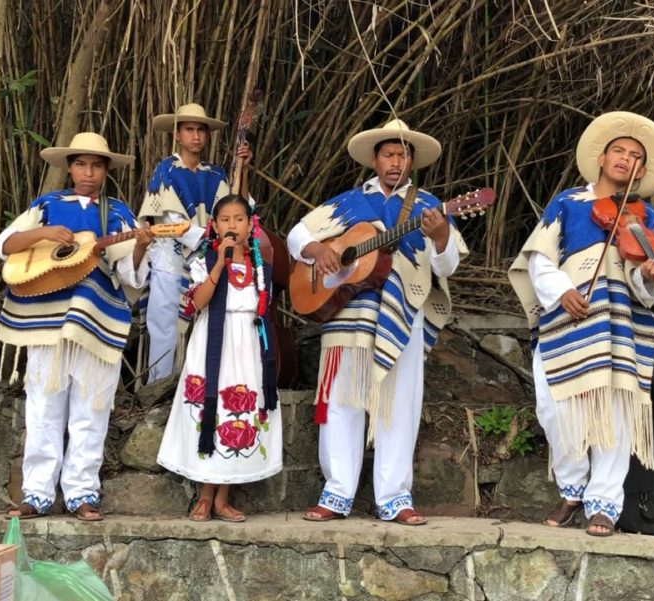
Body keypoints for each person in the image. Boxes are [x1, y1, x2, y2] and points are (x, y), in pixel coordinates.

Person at [507, 111, 654, 537]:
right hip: (569, 315)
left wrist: (649, 277)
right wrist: (561, 290)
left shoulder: (645, 216)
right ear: (602, 159)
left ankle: (603, 502)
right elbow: (539, 260)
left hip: (622, 321)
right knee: (554, 407)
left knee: (617, 411)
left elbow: (645, 282)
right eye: (619, 151)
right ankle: (572, 486)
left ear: (642, 169)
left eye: (636, 156)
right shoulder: (568, 202)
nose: (626, 159)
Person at [287, 119, 468, 525]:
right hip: (346, 313)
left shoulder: (429, 207)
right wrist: (318, 250)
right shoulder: (349, 201)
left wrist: (440, 237)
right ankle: (336, 493)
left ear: (412, 162)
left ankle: (395, 497)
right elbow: (297, 234)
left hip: (403, 312)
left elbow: (447, 265)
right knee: (341, 402)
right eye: (389, 153)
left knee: (399, 404)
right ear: (375, 159)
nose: (395, 161)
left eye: (403, 155)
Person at [0, 132, 152, 521]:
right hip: (47, 321)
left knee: (90, 410)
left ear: (106, 171)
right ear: (69, 167)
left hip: (97, 322)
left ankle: (82, 493)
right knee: (43, 408)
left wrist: (141, 245)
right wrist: (44, 233)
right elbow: (4, 245)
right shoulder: (47, 205)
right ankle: (37, 494)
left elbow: (132, 277)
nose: (88, 172)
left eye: (96, 165)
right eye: (81, 164)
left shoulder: (116, 213)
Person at [156, 194, 281, 522]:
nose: (232, 225)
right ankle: (204, 495)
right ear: (214, 225)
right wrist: (219, 265)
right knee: (207, 414)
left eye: (239, 219)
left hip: (247, 348)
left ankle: (223, 497)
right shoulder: (205, 259)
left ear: (250, 224)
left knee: (235, 416)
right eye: (225, 220)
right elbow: (196, 303)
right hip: (212, 342)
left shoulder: (261, 267)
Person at [138, 103, 252, 383]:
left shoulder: (215, 174)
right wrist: (213, 238)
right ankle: (157, 390)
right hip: (171, 259)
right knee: (165, 326)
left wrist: (244, 170)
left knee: (201, 326)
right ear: (177, 135)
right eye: (189, 129)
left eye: (201, 130)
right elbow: (173, 221)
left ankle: (194, 390)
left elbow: (237, 208)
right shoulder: (165, 170)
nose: (196, 136)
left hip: (207, 261)